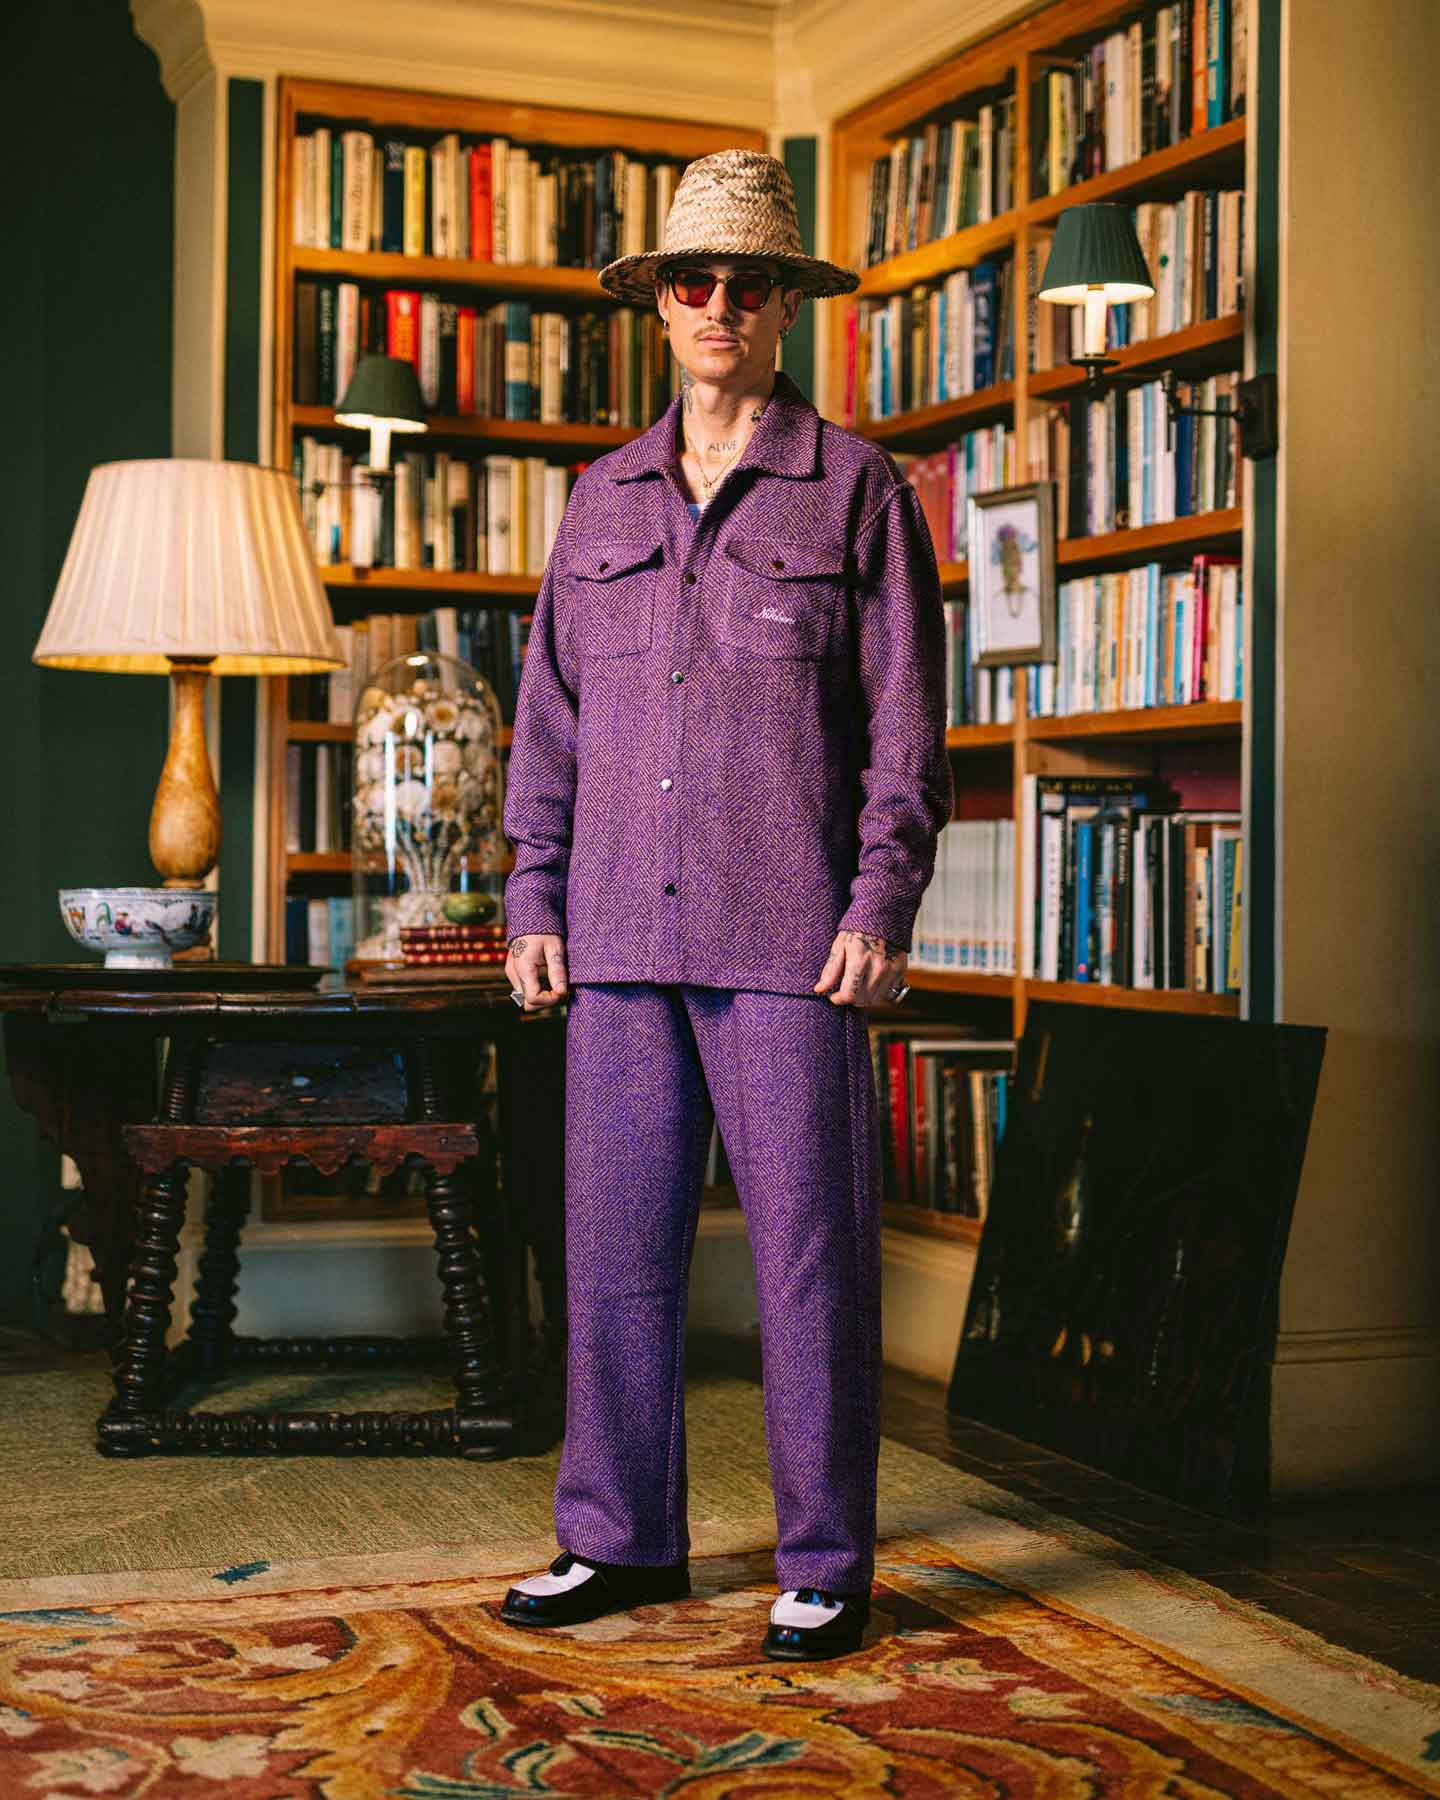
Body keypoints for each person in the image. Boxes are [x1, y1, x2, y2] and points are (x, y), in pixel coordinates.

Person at [494, 149, 954, 1661]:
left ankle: (825, 1561)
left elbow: (906, 727)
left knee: (810, 1257)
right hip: (616, 930)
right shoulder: (599, 499)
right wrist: (533, 891)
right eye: (693, 281)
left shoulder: (859, 489)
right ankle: (617, 1541)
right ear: (659, 303)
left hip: (790, 940)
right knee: (616, 1247)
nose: (718, 306)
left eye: (747, 284)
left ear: (783, 306)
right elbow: (551, 716)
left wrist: (881, 902)